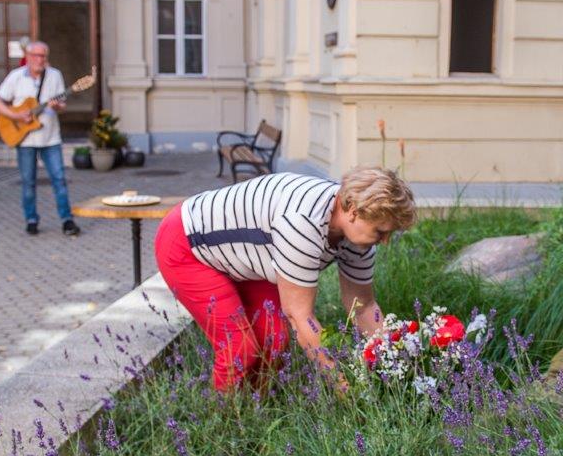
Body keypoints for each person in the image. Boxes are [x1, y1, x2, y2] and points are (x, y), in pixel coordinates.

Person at [155, 168, 417, 392]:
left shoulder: (359, 237)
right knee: (239, 349)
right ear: (353, 212)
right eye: (381, 231)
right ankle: (222, 423)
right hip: (188, 243)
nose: (385, 241)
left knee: (275, 341)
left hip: (248, 254)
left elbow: (364, 307)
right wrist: (343, 388)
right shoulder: (302, 223)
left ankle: (256, 413)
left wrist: (393, 363)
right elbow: (300, 316)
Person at [0, 41, 80, 236]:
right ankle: (31, 220)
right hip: (26, 140)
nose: (40, 60)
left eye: (43, 56)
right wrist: (16, 116)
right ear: (28, 57)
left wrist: (58, 106)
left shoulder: (54, 75)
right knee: (28, 182)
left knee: (59, 180)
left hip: (50, 138)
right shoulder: (16, 77)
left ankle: (67, 220)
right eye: (36, 56)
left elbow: (61, 104)